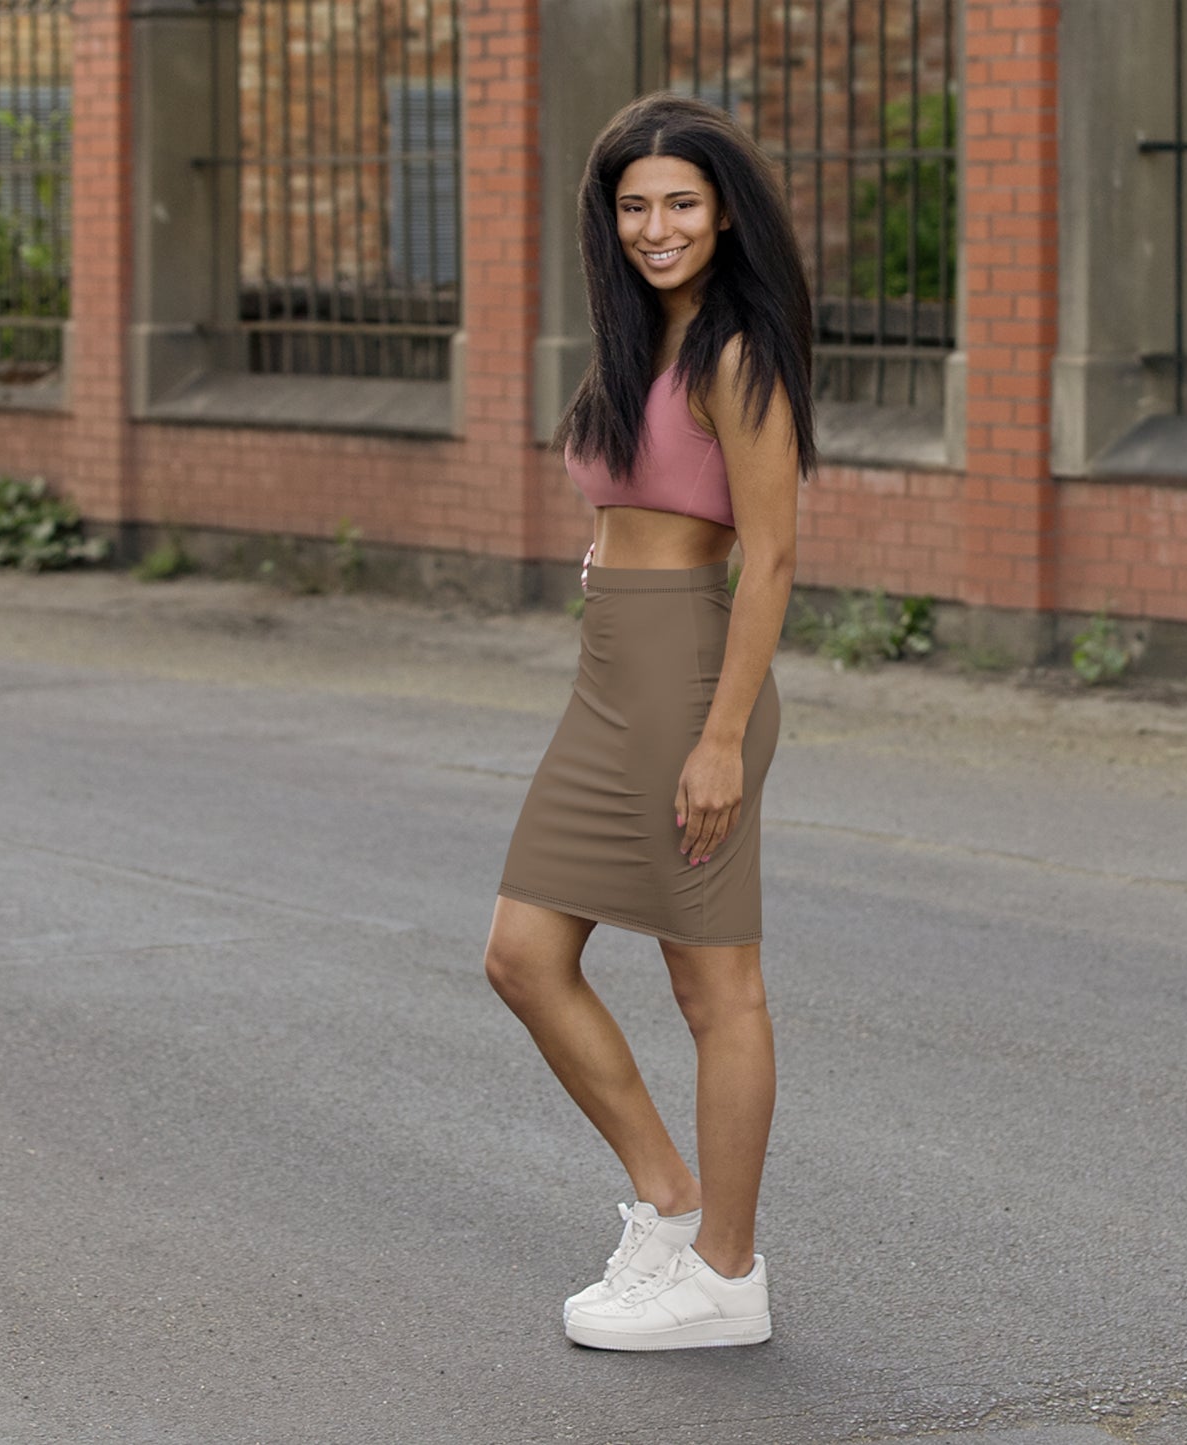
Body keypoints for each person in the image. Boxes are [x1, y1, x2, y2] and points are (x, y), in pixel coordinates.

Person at [483, 92, 816, 1352]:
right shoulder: (638, 346)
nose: (656, 226)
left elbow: (772, 558)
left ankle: (726, 1272)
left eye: (679, 202)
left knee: (713, 983)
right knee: (521, 952)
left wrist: (723, 733)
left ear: (723, 210)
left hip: (688, 674)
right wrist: (596, 567)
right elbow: (625, 495)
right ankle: (667, 1203)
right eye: (633, 206)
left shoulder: (737, 352)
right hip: (609, 671)